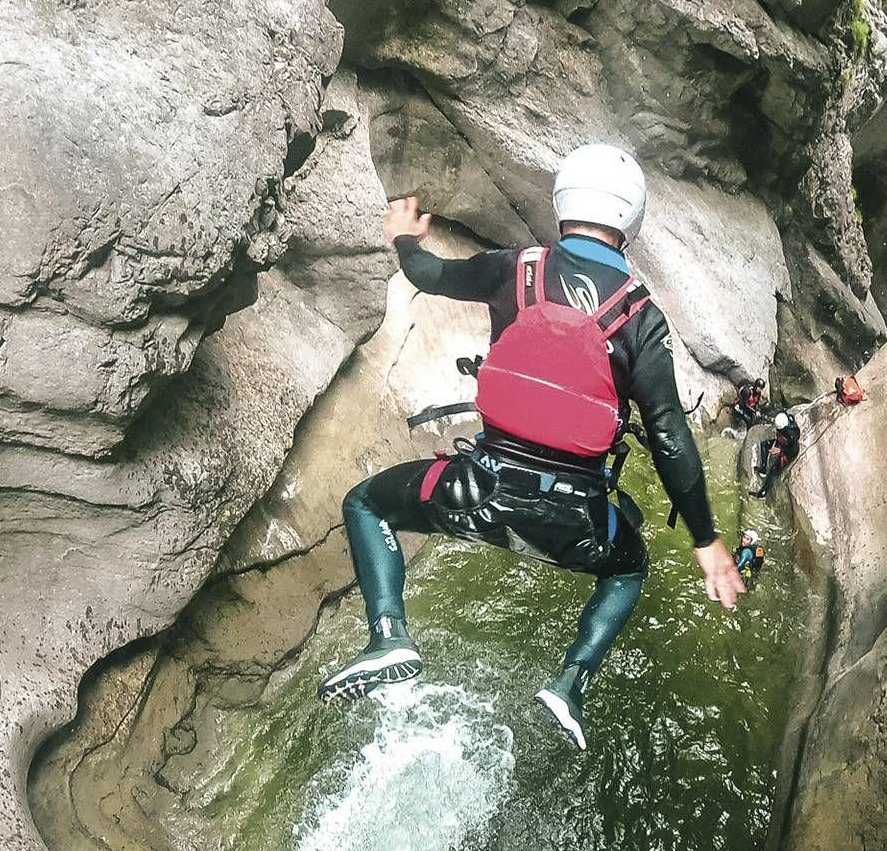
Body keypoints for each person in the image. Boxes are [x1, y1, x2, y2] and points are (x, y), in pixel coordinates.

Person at [317, 143, 745, 750]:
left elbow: (428, 275)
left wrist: (405, 239)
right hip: (576, 523)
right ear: (631, 220)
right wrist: (706, 542)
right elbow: (671, 435)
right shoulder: (641, 317)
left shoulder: (514, 269)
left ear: (563, 203)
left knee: (366, 502)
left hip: (477, 491)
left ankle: (389, 637)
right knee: (629, 567)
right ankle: (568, 685)